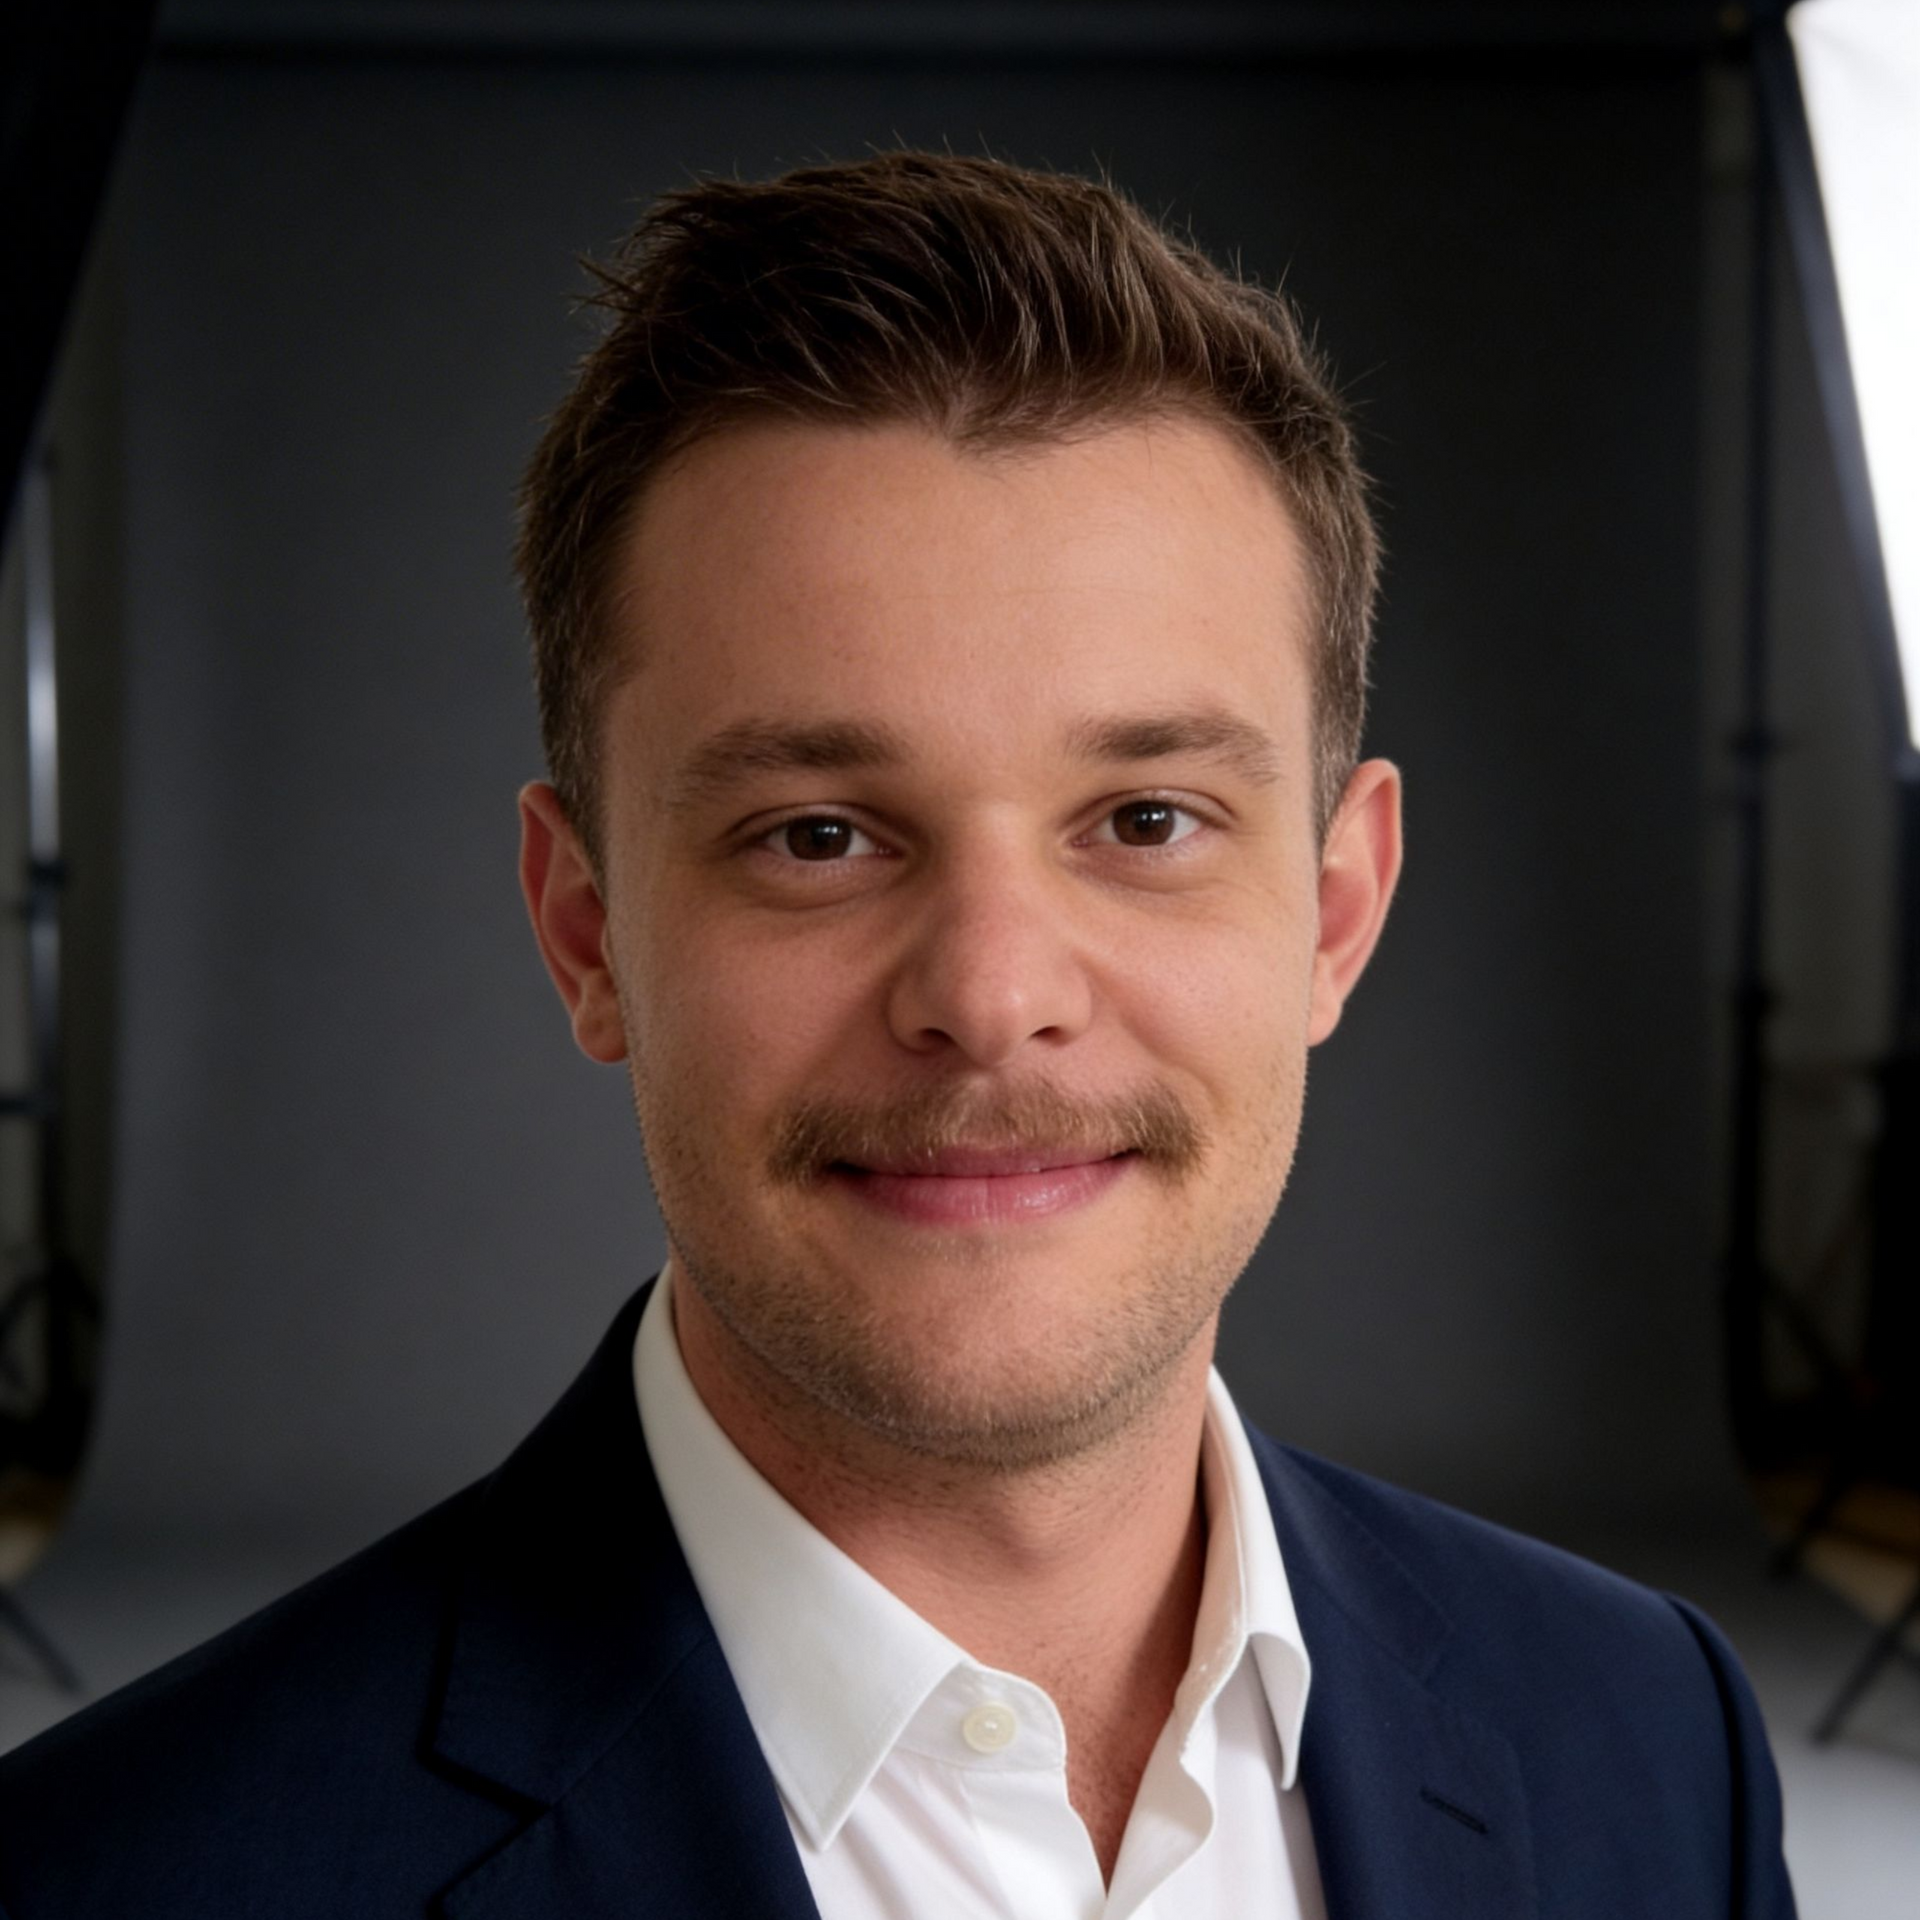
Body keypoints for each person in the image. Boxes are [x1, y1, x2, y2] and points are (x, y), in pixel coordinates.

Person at [0, 151, 1793, 1918]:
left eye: (1147, 819)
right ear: (586, 929)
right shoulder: (119, 1878)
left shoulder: (1649, 1738)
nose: (994, 993)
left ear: (1335, 909)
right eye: (819, 836)